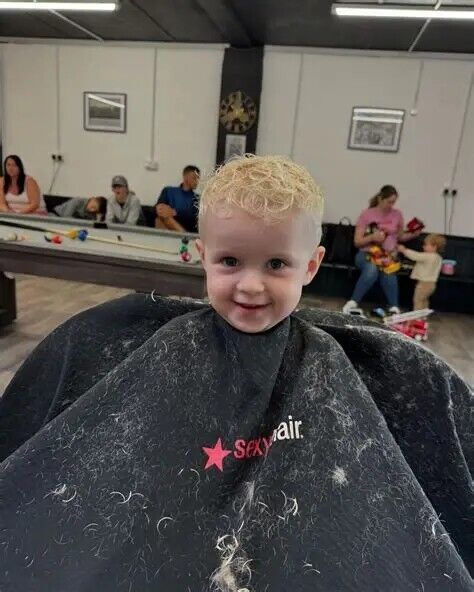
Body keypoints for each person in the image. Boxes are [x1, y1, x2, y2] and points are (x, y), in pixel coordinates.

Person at [0, 157, 472, 591]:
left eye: (276, 264)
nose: (250, 285)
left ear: (311, 266)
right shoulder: (153, 344)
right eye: (230, 261)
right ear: (202, 254)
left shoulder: (338, 357)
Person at [342, 185, 422, 315]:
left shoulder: (397, 214)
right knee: (372, 269)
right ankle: (353, 302)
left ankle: (394, 307)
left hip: (387, 255)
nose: (391, 205)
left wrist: (414, 234)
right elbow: (357, 241)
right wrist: (372, 237)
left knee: (388, 270)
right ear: (380, 199)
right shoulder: (367, 214)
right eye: (389, 202)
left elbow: (400, 236)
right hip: (366, 253)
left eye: (393, 202)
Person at [398, 233, 446, 311]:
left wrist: (404, 250)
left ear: (434, 247)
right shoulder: (438, 258)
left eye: (426, 245)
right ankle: (424, 315)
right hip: (432, 284)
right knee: (424, 300)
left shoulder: (429, 256)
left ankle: (417, 316)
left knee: (417, 301)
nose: (423, 246)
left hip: (423, 284)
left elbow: (415, 256)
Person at [155, 165, 200, 233]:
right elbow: (159, 208)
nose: (197, 181)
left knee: (165, 216)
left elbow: (194, 216)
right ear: (185, 177)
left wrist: (175, 212)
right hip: (166, 223)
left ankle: (184, 236)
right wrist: (163, 210)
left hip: (186, 227)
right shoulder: (168, 191)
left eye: (198, 178)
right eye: (194, 178)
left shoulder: (197, 198)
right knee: (160, 217)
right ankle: (184, 236)